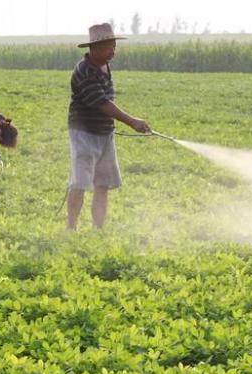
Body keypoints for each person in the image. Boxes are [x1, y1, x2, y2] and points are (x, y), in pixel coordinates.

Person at [67, 23, 151, 230]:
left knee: (102, 183)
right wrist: (132, 121)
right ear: (94, 48)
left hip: (105, 133)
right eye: (108, 48)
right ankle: (71, 228)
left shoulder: (104, 65)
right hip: (83, 133)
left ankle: (98, 230)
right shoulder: (84, 70)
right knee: (80, 182)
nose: (112, 52)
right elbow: (102, 102)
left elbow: (106, 101)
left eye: (114, 47)